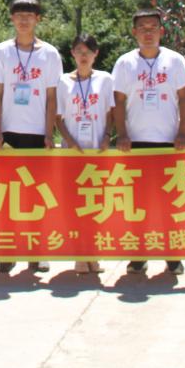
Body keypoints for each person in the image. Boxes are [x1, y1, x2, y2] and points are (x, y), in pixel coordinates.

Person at [111, 8, 185, 277]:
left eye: (153, 28)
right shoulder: (125, 63)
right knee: (137, 202)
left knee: (170, 201)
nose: (148, 33)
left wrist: (183, 132)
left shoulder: (175, 61)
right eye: (143, 28)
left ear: (162, 31)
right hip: (135, 144)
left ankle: (173, 255)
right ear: (134, 32)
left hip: (169, 142)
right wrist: (122, 134)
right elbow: (118, 101)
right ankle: (138, 255)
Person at [0, 0, 62, 274]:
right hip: (9, 134)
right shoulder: (1, 52)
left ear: (38, 19)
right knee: (7, 194)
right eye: (19, 15)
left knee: (36, 195)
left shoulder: (50, 54)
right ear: (12, 19)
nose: (24, 20)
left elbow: (52, 97)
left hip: (37, 134)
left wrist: (49, 132)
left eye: (29, 15)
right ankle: (7, 250)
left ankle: (37, 252)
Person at [54, 34, 113, 275]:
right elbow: (58, 117)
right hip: (73, 153)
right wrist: (69, 141)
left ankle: (94, 253)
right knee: (75, 204)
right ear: (72, 54)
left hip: (97, 151)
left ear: (96, 54)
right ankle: (79, 254)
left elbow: (111, 112)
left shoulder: (105, 79)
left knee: (98, 204)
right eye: (79, 50)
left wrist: (107, 135)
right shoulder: (63, 82)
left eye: (88, 51)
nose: (83, 55)